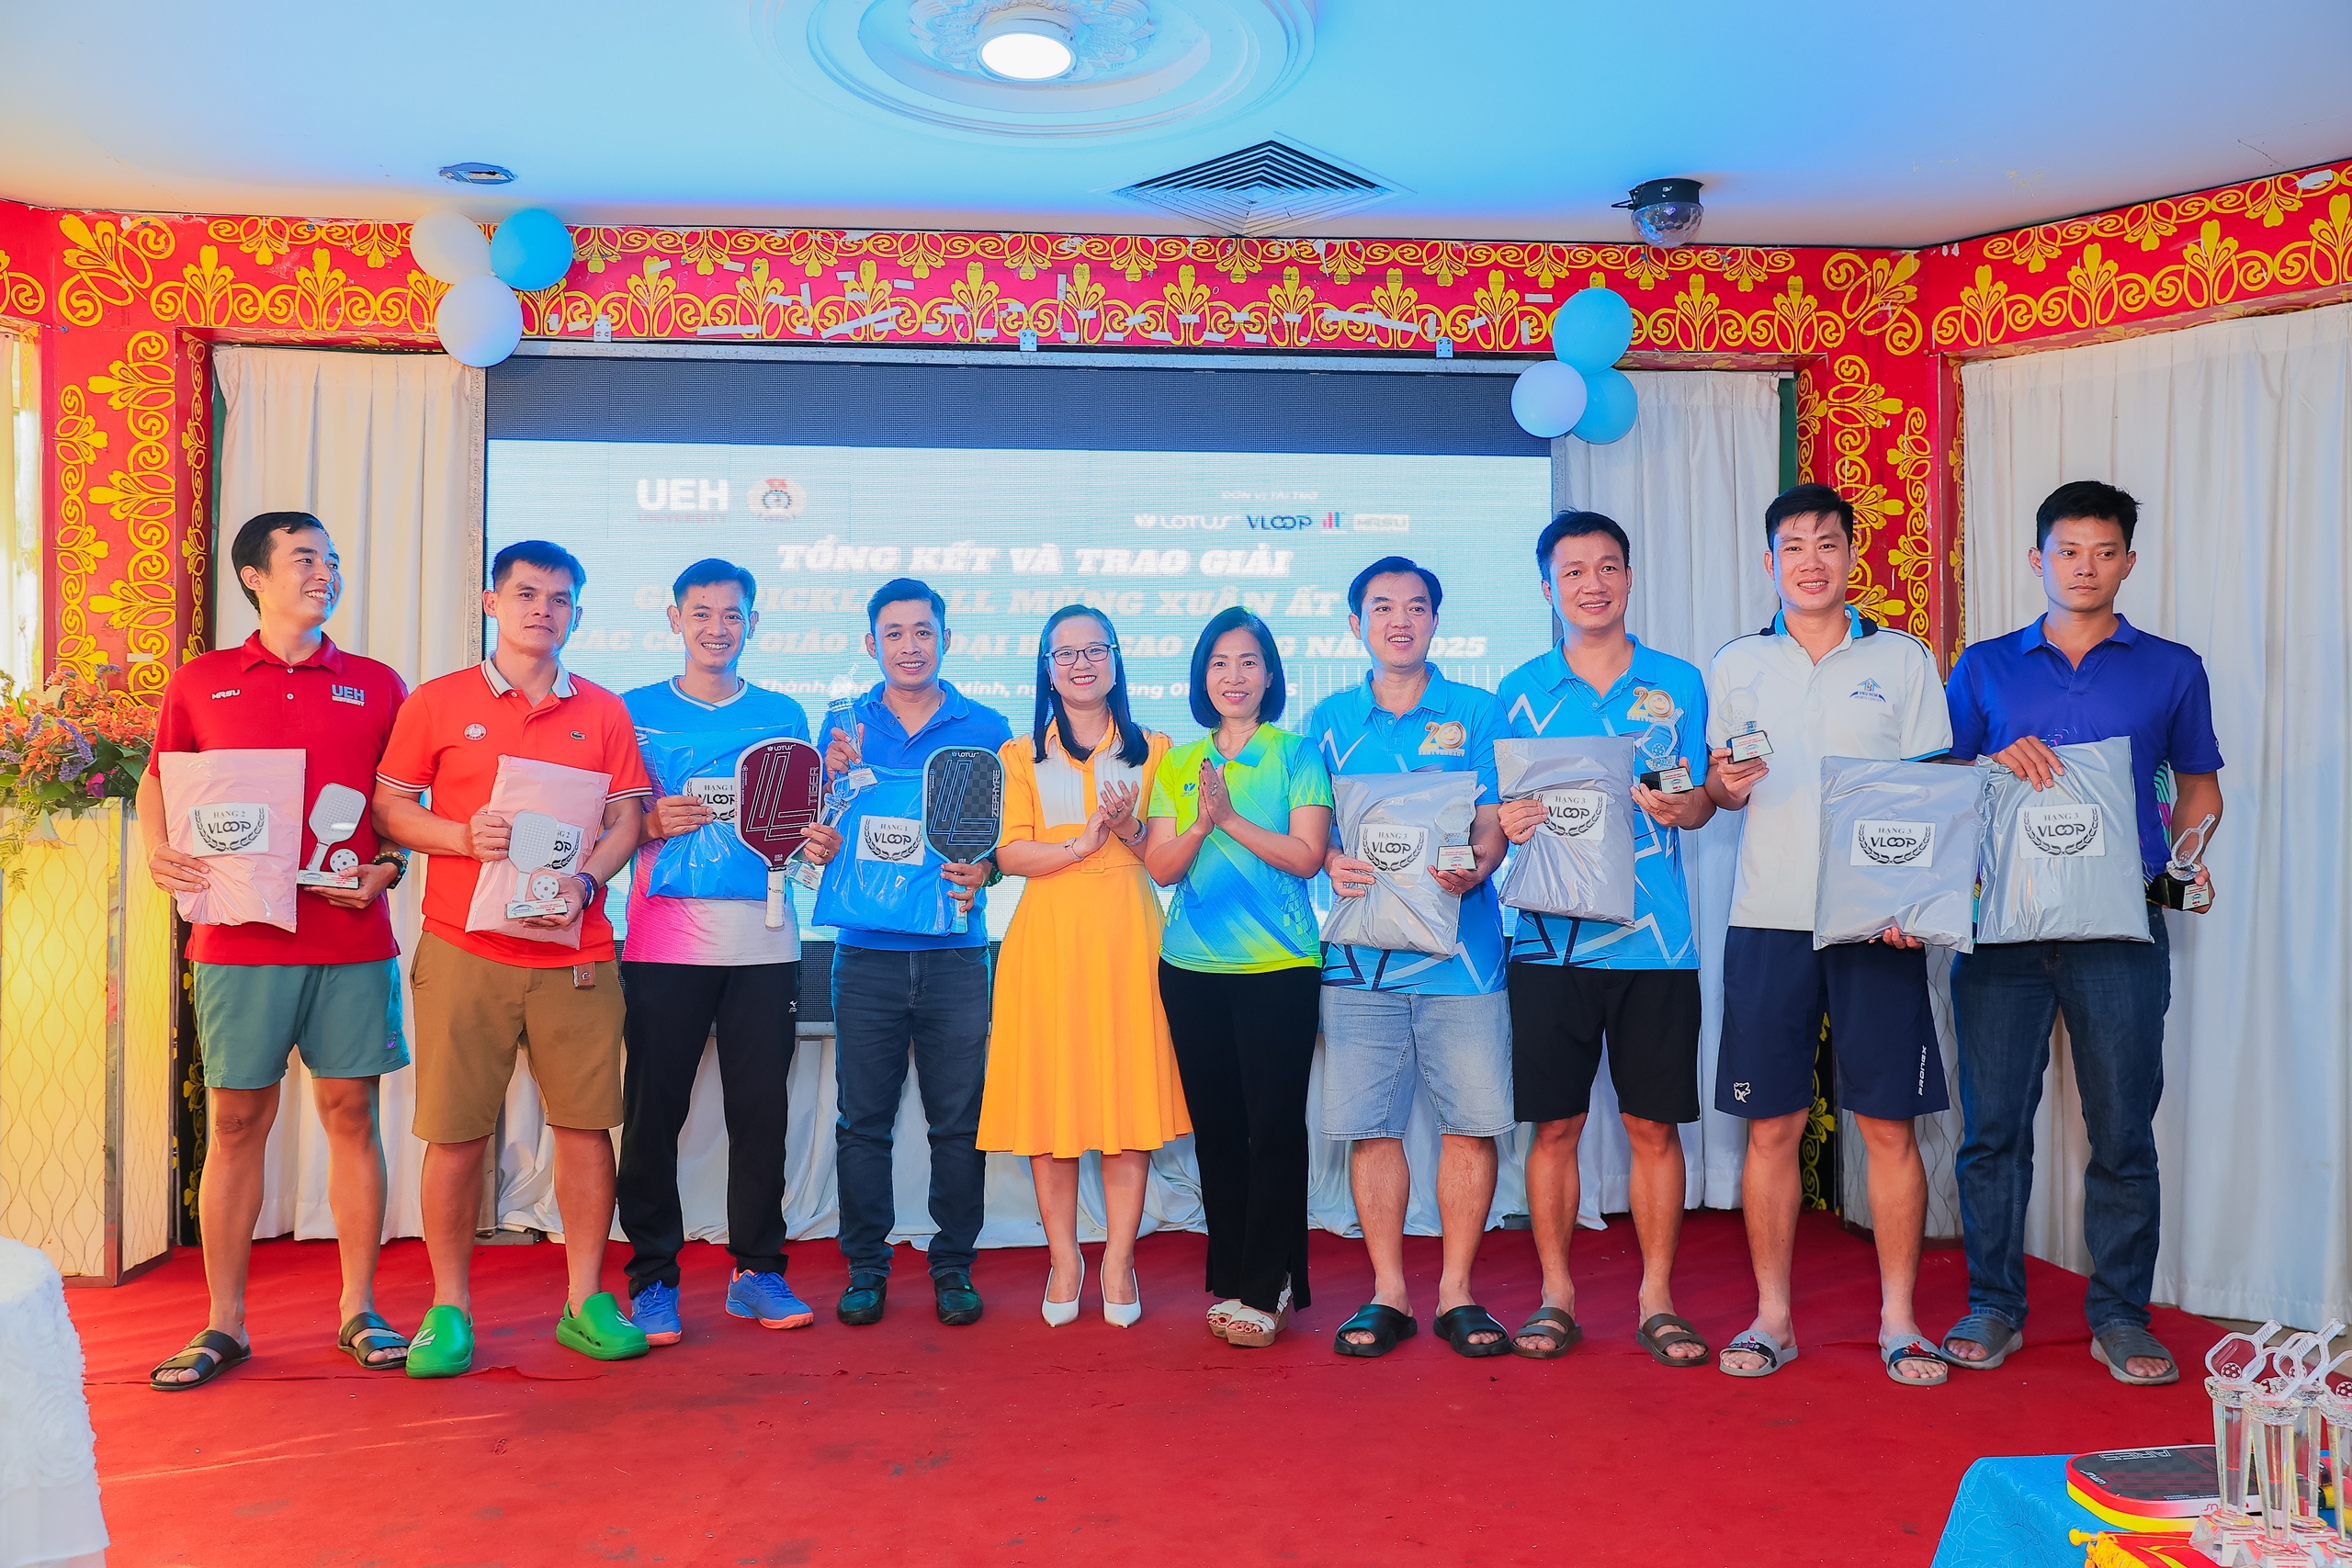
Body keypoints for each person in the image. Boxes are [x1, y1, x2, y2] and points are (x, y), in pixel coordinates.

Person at [1939, 481, 2222, 1387]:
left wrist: (2180, 868)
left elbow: (2199, 789)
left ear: (2127, 563)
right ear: (2038, 560)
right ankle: (1993, 1304)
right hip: (2001, 930)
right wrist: (1990, 760)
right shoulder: (1983, 668)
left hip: (2120, 931)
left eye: (2103, 552)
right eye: (2068, 551)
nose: (2085, 566)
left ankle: (2121, 1316)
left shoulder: (2171, 668)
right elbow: (1941, 789)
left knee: (2121, 1129)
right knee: (1990, 1130)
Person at [141, 512, 413, 1390]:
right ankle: (224, 1322)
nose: (323, 572)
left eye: (331, 560)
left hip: (349, 936)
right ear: (252, 576)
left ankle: (359, 1307)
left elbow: (398, 806)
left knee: (350, 1116)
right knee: (234, 1122)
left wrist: (389, 867)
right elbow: (159, 780)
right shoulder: (203, 681)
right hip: (234, 937)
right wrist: (155, 849)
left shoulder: (376, 683)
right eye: (303, 559)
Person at [372, 539, 653, 1377]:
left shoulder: (602, 710)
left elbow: (627, 821)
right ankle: (449, 1308)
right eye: (526, 594)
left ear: (575, 611)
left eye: (560, 598)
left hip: (577, 948)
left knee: (585, 1124)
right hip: (464, 947)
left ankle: (584, 1301)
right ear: (492, 603)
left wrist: (588, 881)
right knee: (456, 1132)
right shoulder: (436, 702)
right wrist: (458, 835)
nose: (543, 609)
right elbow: (390, 808)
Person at [1703, 483, 1954, 1387]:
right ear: (1768, 559)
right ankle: (1772, 1318)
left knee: (1888, 1127)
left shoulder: (1900, 659)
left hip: (1874, 925)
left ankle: (1899, 1320)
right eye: (1791, 545)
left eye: (1826, 544)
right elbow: (1719, 788)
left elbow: (1927, 800)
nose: (1809, 560)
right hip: (1766, 921)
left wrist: (1911, 906)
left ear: (1853, 557)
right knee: (1768, 1127)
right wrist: (1722, 789)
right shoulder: (1735, 664)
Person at [1492, 512, 1716, 1367]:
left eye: (1608, 567)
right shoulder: (1516, 692)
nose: (1594, 583)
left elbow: (1699, 802)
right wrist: (1505, 823)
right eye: (1575, 571)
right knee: (1552, 1128)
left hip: (1657, 946)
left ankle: (1657, 1297)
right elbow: (1491, 816)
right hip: (1547, 948)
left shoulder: (1678, 684)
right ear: (1549, 589)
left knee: (1655, 1128)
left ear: (1630, 577)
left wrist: (1683, 805)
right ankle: (1557, 1295)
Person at [616, 558, 827, 1347]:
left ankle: (757, 1271)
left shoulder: (784, 711)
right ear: (675, 619)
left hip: (765, 938)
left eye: (731, 614)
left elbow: (798, 829)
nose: (716, 628)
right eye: (700, 613)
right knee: (653, 1112)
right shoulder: (630, 712)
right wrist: (649, 824)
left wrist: (819, 844)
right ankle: (653, 1278)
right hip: (664, 937)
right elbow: (612, 829)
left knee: (762, 1110)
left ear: (752, 622)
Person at [1308, 558, 1513, 1359]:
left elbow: (1493, 822)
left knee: (1471, 1121)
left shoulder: (1479, 711)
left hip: (1464, 955)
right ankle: (1387, 1290)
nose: (1401, 620)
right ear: (1354, 622)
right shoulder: (1328, 719)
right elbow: (1312, 828)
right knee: (1371, 1127)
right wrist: (1326, 858)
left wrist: (1482, 863)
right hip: (1361, 962)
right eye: (1382, 607)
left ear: (1436, 620)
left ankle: (1457, 1290)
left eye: (1417, 607)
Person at [807, 578, 1012, 1329]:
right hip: (863, 953)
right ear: (872, 644)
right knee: (864, 1121)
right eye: (893, 633)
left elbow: (1011, 840)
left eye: (923, 631)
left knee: (958, 1122)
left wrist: (990, 868)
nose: (909, 645)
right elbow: (813, 828)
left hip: (958, 952)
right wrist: (822, 817)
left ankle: (953, 1266)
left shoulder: (988, 727)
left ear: (946, 639)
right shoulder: (839, 727)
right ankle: (866, 1266)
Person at [978, 605, 1188, 1328]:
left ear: (1116, 658)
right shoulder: (1019, 754)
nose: (1080, 663)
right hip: (1049, 940)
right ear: (1046, 667)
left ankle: (1120, 1261)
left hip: (1130, 936)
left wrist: (1123, 830)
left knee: (1126, 1107)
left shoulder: (1157, 749)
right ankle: (1065, 1259)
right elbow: (1008, 854)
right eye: (1063, 653)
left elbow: (1162, 861)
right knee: (1052, 1107)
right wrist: (1081, 844)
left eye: (1093, 649)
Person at [1143, 608, 1333, 1348]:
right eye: (1220, 663)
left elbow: (1306, 855)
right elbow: (1161, 867)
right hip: (1190, 969)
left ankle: (1270, 1283)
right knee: (1218, 1130)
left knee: (1275, 1129)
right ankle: (1235, 1274)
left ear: (1270, 674)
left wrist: (1225, 820)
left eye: (1248, 661)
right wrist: (1197, 821)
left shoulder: (1297, 753)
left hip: (1279, 968)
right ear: (1202, 677)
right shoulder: (1180, 761)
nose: (1234, 676)